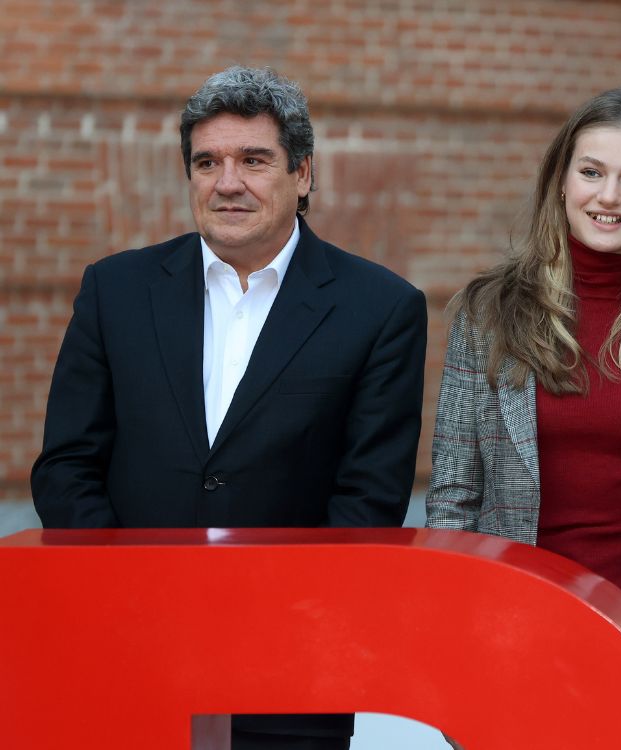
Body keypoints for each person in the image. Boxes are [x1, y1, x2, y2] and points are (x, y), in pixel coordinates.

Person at [32, 66, 427, 750]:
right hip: (126, 656)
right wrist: (131, 593)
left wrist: (267, 622)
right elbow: (65, 467)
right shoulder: (114, 290)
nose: (228, 182)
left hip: (289, 670)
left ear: (302, 174)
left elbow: (366, 504)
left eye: (254, 160)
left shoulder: (380, 309)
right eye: (207, 162)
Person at [425, 88, 621, 750]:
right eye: (592, 172)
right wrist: (451, 661)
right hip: (515, 644)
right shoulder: (491, 314)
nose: (609, 196)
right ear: (562, 179)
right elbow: (452, 505)